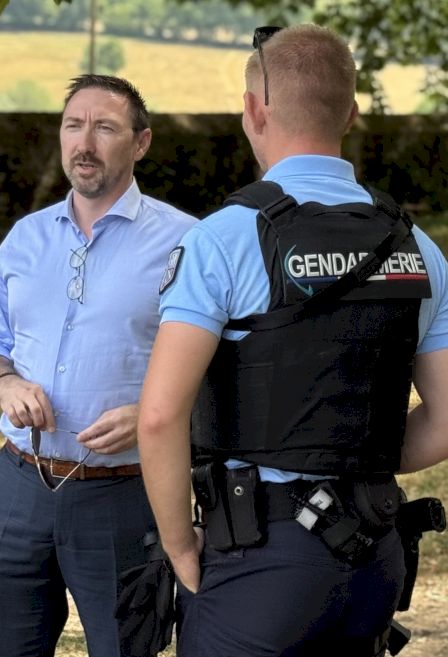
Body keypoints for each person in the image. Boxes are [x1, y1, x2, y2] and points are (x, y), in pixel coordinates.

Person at [138, 23, 448, 657]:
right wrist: (354, 461)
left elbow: (161, 416)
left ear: (254, 110)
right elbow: (445, 420)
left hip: (259, 558)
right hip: (375, 557)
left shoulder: (223, 240)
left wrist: (179, 546)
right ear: (352, 113)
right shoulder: (416, 247)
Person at [0, 73, 197, 657]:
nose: (84, 143)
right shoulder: (25, 238)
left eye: (105, 128)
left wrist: (151, 413)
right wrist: (5, 381)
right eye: (73, 126)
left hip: (125, 495)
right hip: (18, 485)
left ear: (141, 143)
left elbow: (224, 369)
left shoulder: (188, 244)